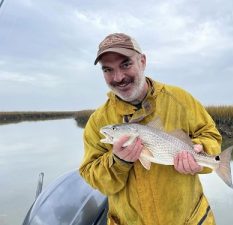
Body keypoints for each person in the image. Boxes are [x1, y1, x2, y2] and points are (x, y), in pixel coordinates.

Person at [79, 33, 222, 225]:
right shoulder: (97, 122)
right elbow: (92, 176)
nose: (118, 77)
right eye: (107, 69)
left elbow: (211, 136)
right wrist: (118, 161)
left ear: (143, 61)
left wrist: (198, 151)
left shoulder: (181, 99)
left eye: (126, 64)